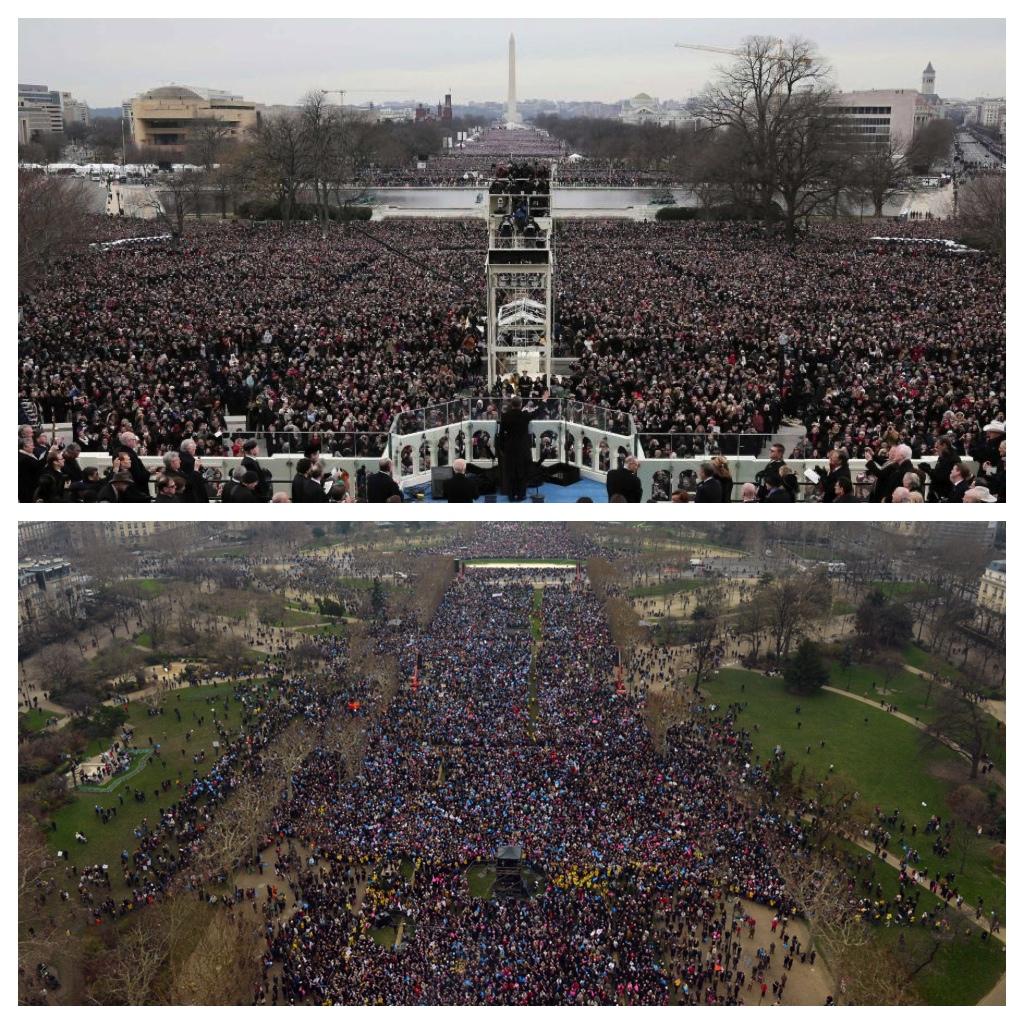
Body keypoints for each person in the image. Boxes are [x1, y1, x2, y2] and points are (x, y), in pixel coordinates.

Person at [497, 395, 542, 502]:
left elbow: (501, 434)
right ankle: (521, 495)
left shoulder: (505, 416)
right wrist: (543, 401)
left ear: (511, 404)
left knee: (511, 472)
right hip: (523, 449)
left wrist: (503, 448)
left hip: (510, 449)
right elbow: (536, 413)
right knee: (522, 472)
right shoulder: (524, 415)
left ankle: (511, 496)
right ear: (521, 404)